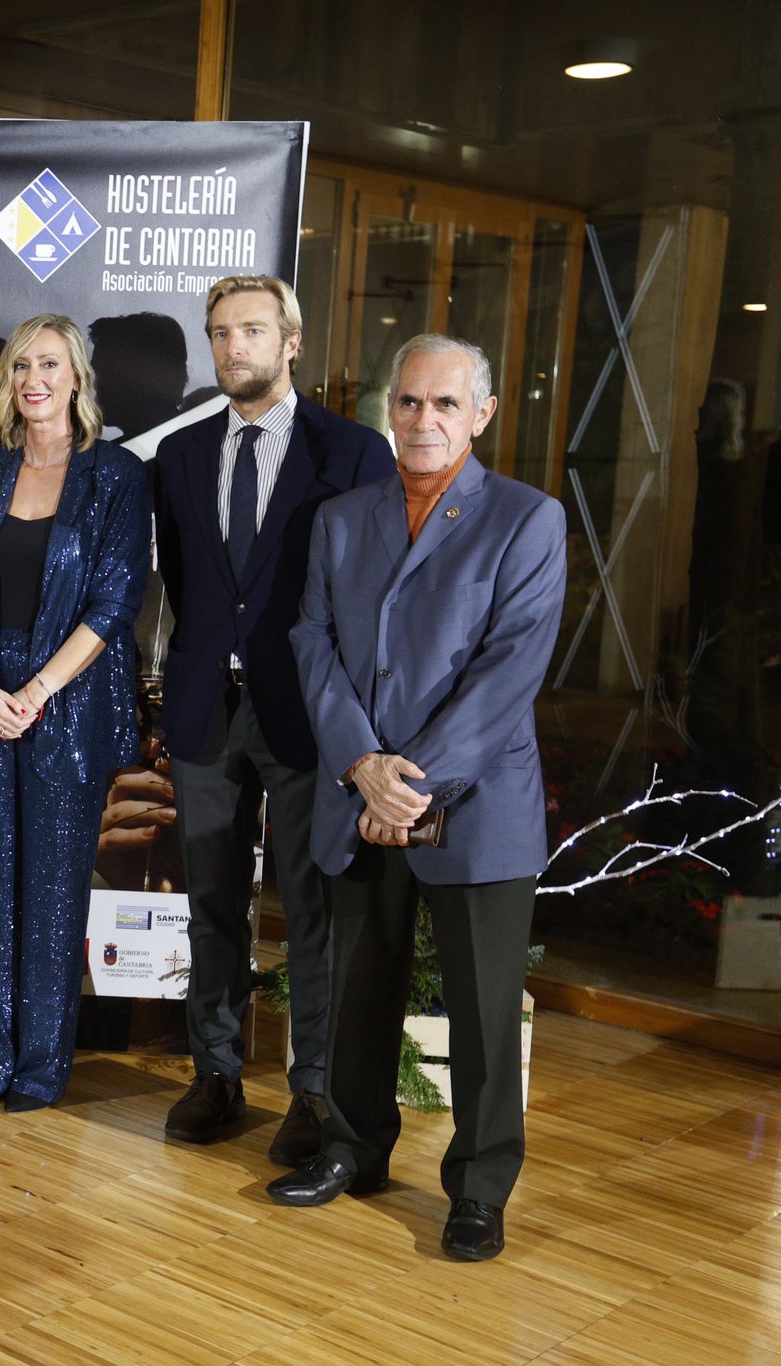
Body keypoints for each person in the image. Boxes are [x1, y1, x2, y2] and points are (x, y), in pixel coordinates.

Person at [272, 334, 565, 1263]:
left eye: (445, 405)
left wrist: (408, 784)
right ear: (386, 410)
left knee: (483, 1012)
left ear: (481, 415)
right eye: (408, 402)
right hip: (362, 793)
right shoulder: (342, 517)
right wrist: (363, 763)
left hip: (474, 802)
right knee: (360, 988)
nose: (423, 420)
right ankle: (352, 1152)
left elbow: (508, 671)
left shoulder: (528, 519)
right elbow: (312, 642)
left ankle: (479, 1188)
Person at [150, 275, 395, 1163]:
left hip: (307, 713)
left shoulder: (355, 453)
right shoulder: (178, 455)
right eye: (218, 334)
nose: (232, 349)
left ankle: (314, 1093)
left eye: (250, 331)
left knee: (313, 907)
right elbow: (188, 580)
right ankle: (214, 1074)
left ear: (292, 342)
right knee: (212, 902)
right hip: (207, 708)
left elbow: (367, 594)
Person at [0, 315, 150, 1111]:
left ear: (77, 380)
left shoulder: (116, 475)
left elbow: (114, 603)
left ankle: (39, 1069)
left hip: (66, 713)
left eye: (51, 364)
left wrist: (36, 694)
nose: (35, 377)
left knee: (53, 894)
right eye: (22, 364)